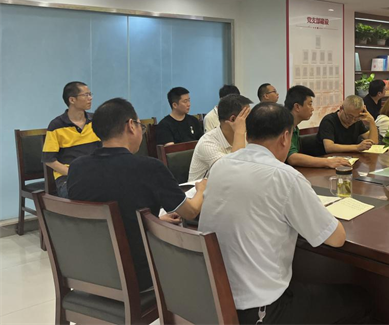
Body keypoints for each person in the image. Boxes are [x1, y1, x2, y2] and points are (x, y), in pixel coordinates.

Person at [199, 103, 371, 325]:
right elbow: (336, 238)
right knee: (361, 299)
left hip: (215, 300)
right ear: (285, 137)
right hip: (260, 311)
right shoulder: (284, 176)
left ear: (248, 134)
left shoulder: (220, 166)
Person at [67, 98, 206, 291]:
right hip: (138, 276)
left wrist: (154, 219)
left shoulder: (77, 168)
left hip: (89, 272)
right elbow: (190, 212)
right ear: (131, 126)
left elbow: (112, 214)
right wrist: (202, 190)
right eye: (141, 125)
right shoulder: (149, 168)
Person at [41, 81, 101, 198]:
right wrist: (74, 174)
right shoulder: (56, 125)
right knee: (86, 194)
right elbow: (49, 160)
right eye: (86, 95)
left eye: (90, 94)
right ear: (72, 100)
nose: (90, 98)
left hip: (95, 174)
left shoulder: (96, 121)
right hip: (68, 178)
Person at [284, 85, 352, 169]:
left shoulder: (294, 127)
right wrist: (328, 162)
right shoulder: (284, 126)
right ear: (297, 107)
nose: (312, 109)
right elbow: (292, 158)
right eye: (309, 104)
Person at [188, 94, 252, 181]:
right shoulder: (207, 143)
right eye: (247, 116)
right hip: (201, 188)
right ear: (233, 119)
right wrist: (239, 132)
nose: (252, 120)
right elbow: (234, 171)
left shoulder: (245, 136)